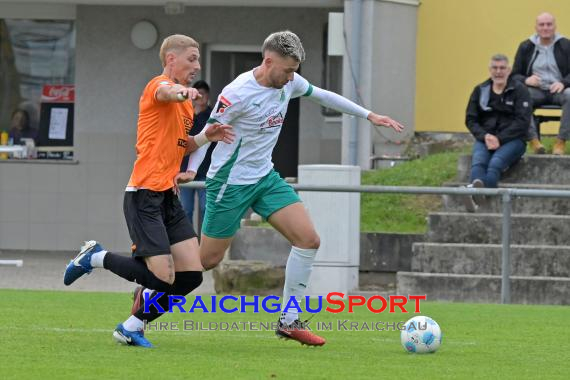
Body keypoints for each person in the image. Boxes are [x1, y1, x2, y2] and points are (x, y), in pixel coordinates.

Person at [184, 30, 404, 346]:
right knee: (206, 261)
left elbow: (324, 95)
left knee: (308, 239)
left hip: (265, 178)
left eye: (295, 72)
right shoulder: (237, 93)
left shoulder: (289, 82)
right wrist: (192, 170)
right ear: (268, 60)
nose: (291, 79)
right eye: (287, 70)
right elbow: (208, 135)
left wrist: (369, 115)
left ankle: (289, 321)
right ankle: (151, 290)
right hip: (230, 183)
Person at [63, 34, 234, 348]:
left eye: (198, 59)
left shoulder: (185, 109)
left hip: (167, 197)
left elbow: (182, 146)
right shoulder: (158, 87)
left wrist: (206, 136)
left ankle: (131, 326)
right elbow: (165, 92)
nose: (197, 65)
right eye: (191, 59)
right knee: (159, 278)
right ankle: (95, 256)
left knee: (191, 275)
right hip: (143, 194)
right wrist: (181, 90)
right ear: (171, 59)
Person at [464, 54, 531, 212]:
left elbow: (523, 122)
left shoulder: (520, 90)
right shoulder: (480, 90)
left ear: (508, 70)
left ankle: (474, 195)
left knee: (495, 164)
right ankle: (478, 192)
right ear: (489, 70)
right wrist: (485, 136)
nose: (498, 72)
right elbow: (471, 119)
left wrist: (500, 139)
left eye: (502, 68)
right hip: (485, 139)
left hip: (513, 140)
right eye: (495, 68)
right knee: (478, 163)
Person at [512, 12, 570, 155]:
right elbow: (514, 75)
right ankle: (534, 140)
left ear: (555, 26)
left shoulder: (565, 45)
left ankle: (560, 142)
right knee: (520, 96)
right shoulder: (526, 46)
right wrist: (526, 80)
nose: (545, 28)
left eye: (549, 24)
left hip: (559, 91)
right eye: (542, 25)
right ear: (536, 27)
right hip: (535, 90)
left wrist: (563, 83)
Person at [179, 80, 214, 229]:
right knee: (185, 209)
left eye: (203, 94)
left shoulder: (213, 116)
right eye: (198, 93)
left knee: (206, 208)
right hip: (186, 168)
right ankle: (189, 242)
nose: (200, 97)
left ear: (208, 96)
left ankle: (204, 243)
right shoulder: (186, 114)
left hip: (206, 169)